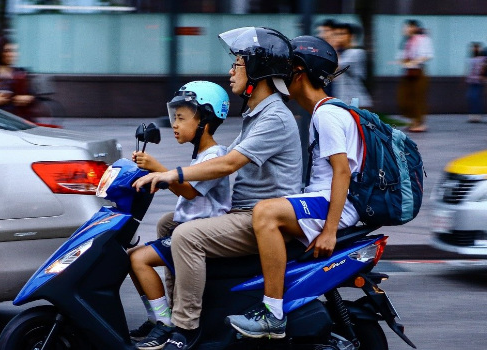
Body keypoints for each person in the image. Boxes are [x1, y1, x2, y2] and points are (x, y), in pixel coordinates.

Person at [133, 27, 302, 350]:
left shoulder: (275, 118)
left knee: (186, 235)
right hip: (246, 214)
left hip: (260, 217)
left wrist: (172, 174)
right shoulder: (257, 115)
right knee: (169, 223)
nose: (230, 72)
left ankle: (185, 328)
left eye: (237, 64)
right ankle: (170, 312)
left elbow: (227, 163)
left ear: (257, 69)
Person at [226, 35, 359, 340]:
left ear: (297, 70)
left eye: (284, 67)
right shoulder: (324, 112)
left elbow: (342, 173)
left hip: (331, 204)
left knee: (265, 212)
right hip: (322, 200)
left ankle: (273, 314)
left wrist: (330, 230)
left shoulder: (327, 114)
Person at [128, 81, 232, 349]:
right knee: (137, 252)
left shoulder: (215, 155)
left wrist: (159, 170)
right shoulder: (200, 156)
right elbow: (187, 191)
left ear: (205, 121)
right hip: (188, 228)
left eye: (181, 118)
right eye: (174, 117)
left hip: (201, 234)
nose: (175, 124)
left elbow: (189, 192)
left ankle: (164, 323)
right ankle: (158, 317)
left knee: (138, 259)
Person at [396, 19, 433, 132]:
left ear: (414, 28)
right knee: (404, 98)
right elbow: (401, 56)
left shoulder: (423, 39)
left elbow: (428, 55)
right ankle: (413, 121)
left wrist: (415, 61)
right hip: (407, 72)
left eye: (407, 27)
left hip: (418, 72)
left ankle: (419, 122)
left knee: (418, 98)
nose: (405, 30)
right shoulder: (407, 41)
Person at [332, 23, 372, 108]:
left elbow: (336, 65)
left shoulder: (356, 52)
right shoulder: (343, 53)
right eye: (336, 34)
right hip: (345, 102)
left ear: (351, 36)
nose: (338, 37)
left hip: (357, 102)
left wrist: (333, 46)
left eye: (342, 34)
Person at [466, 42, 487, 123]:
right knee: (470, 97)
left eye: (476, 47)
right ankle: (472, 115)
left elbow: (485, 68)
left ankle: (477, 115)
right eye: (473, 47)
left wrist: (483, 75)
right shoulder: (471, 59)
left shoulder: (483, 58)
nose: (474, 49)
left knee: (476, 97)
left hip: (479, 81)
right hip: (471, 81)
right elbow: (469, 70)